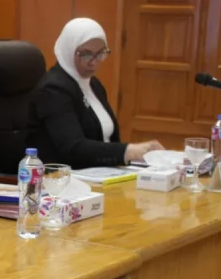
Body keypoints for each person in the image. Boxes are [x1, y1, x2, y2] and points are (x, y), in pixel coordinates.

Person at [30, 18, 163, 168]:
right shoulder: (53, 90)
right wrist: (128, 151)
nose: (93, 62)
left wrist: (131, 159)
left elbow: (109, 139)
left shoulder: (94, 84)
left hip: (102, 173)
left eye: (100, 53)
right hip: (66, 176)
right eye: (86, 54)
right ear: (68, 49)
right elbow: (73, 148)